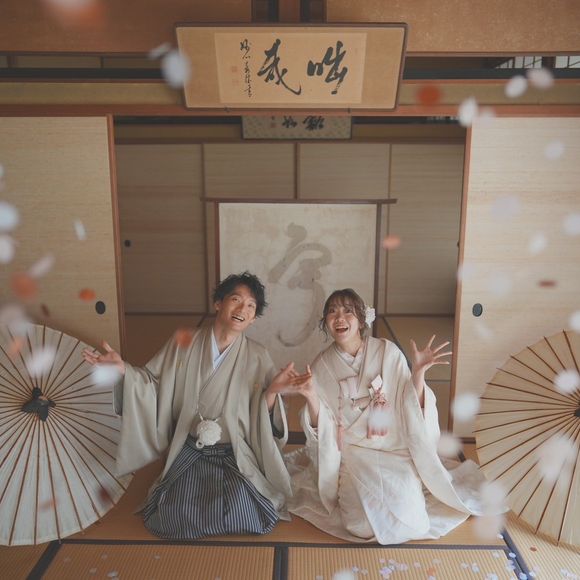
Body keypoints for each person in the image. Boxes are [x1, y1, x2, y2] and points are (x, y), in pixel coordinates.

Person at [83, 272, 310, 540]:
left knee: (248, 511)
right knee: (173, 516)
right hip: (191, 447)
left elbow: (263, 416)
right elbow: (152, 383)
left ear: (254, 318)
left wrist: (272, 392)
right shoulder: (184, 341)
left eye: (251, 306)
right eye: (236, 300)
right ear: (218, 303)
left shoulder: (258, 355)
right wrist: (124, 370)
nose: (243, 309)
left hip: (234, 453)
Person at [284, 288, 493, 544]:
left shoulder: (387, 352)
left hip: (394, 450)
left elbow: (409, 405)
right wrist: (310, 397)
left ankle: (411, 489)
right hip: (355, 455)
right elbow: (324, 427)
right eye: (332, 312)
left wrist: (418, 373)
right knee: (359, 526)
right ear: (325, 322)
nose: (339, 318)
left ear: (361, 319)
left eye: (348, 311)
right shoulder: (322, 366)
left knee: (413, 522)